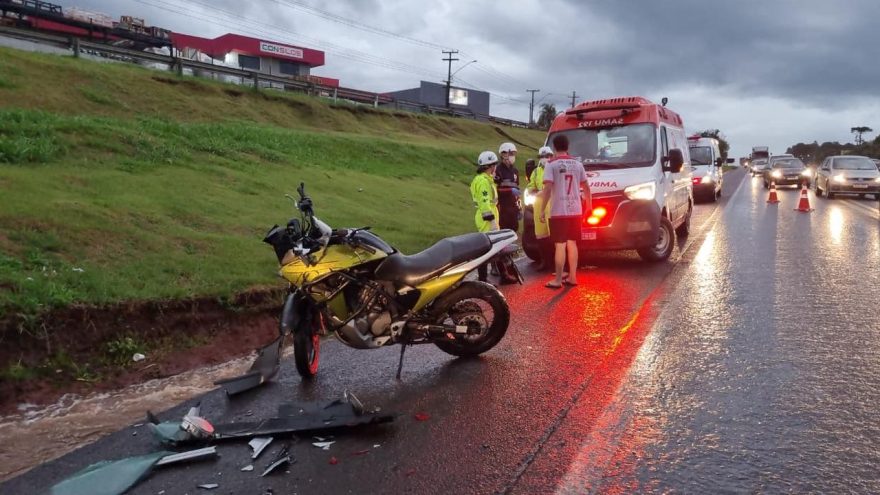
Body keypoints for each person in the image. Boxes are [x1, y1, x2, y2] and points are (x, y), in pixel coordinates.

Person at [540, 135, 589, 288]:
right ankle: (573, 277)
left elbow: (547, 189)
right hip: (575, 209)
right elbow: (586, 187)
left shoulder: (551, 165)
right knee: (572, 243)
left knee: (560, 245)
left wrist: (542, 209)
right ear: (568, 147)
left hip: (559, 210)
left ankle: (558, 279)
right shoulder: (577, 164)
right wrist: (589, 205)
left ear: (554, 148)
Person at [471, 151, 517, 285]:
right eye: (494, 165)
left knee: (496, 247)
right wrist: (491, 221)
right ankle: (483, 280)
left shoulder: (484, 180)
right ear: (490, 166)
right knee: (487, 250)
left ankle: (502, 275)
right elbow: (484, 203)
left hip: (489, 215)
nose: (495, 167)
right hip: (487, 218)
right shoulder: (483, 182)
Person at [527, 146, 556, 271]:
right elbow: (530, 186)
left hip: (552, 202)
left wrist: (543, 192)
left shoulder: (555, 168)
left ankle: (557, 262)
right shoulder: (536, 171)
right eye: (542, 157)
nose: (545, 159)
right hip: (538, 204)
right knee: (540, 234)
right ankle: (545, 261)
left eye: (547, 156)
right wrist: (533, 191)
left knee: (554, 234)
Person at [495, 142, 521, 234]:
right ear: (503, 154)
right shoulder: (498, 170)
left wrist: (519, 209)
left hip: (513, 207)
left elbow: (517, 192)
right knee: (503, 231)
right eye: (511, 154)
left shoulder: (515, 171)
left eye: (514, 154)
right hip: (502, 207)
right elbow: (495, 190)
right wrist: (510, 191)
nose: (513, 156)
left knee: (513, 230)